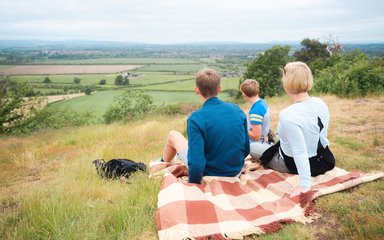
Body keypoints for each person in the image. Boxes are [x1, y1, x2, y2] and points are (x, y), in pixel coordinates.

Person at [250, 61, 335, 197]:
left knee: (252, 147)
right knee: (278, 135)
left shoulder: (288, 114)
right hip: (325, 158)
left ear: (287, 83)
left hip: (293, 162)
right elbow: (322, 136)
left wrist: (305, 185)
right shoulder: (320, 102)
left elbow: (300, 150)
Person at [158, 68, 250, 184]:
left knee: (173, 135)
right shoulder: (237, 110)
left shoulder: (196, 118)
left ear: (196, 90)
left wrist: (194, 184)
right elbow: (246, 149)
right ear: (219, 88)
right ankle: (165, 161)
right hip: (235, 172)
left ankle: (163, 162)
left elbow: (196, 165)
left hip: (209, 173)